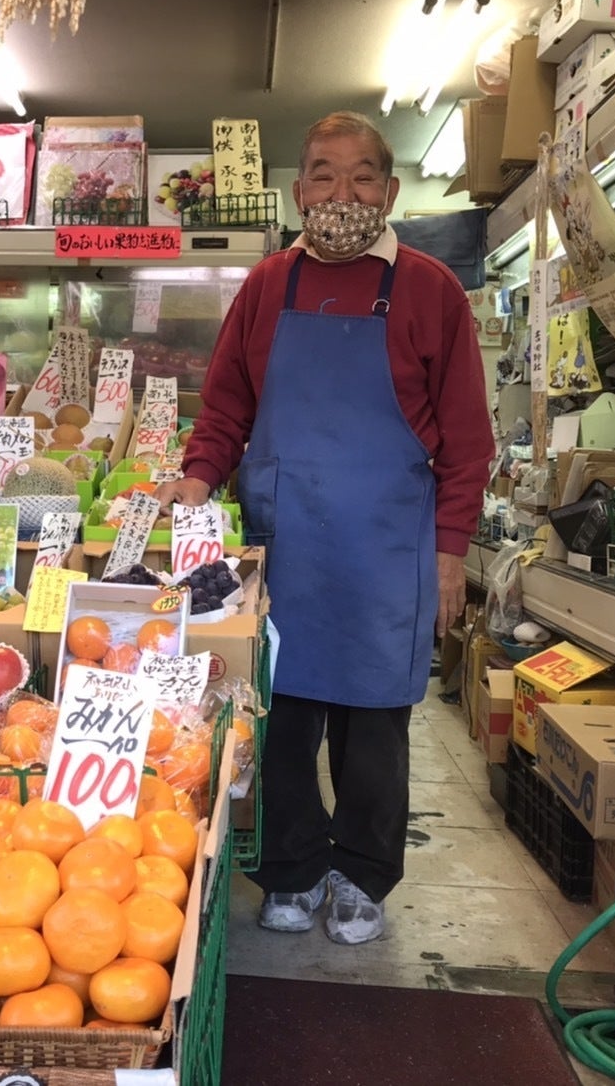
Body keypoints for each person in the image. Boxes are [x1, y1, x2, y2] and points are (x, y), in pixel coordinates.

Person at [155, 111, 494, 945]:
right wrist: (197, 479)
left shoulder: (432, 291)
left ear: (391, 189)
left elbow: (466, 441)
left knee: (374, 726)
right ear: (298, 190)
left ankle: (364, 874)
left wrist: (451, 551)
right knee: (280, 718)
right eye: (324, 173)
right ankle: (292, 868)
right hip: (286, 544)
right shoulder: (267, 286)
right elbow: (226, 407)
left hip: (388, 547)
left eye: (363, 175)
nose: (343, 191)